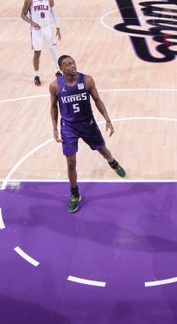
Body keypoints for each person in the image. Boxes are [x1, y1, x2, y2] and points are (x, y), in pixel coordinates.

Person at [49, 55, 125, 213]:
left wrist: (108, 119)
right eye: (68, 65)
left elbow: (97, 100)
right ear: (61, 69)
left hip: (87, 124)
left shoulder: (87, 80)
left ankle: (112, 162)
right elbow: (54, 107)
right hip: (68, 127)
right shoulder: (55, 86)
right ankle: (74, 194)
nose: (73, 66)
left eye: (73, 63)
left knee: (103, 150)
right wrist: (55, 128)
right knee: (70, 163)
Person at [22, 0, 61, 86]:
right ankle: (36, 75)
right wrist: (33, 23)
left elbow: (55, 14)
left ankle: (57, 71)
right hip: (36, 30)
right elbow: (23, 15)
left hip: (48, 28)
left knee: (53, 50)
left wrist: (58, 27)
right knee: (37, 53)